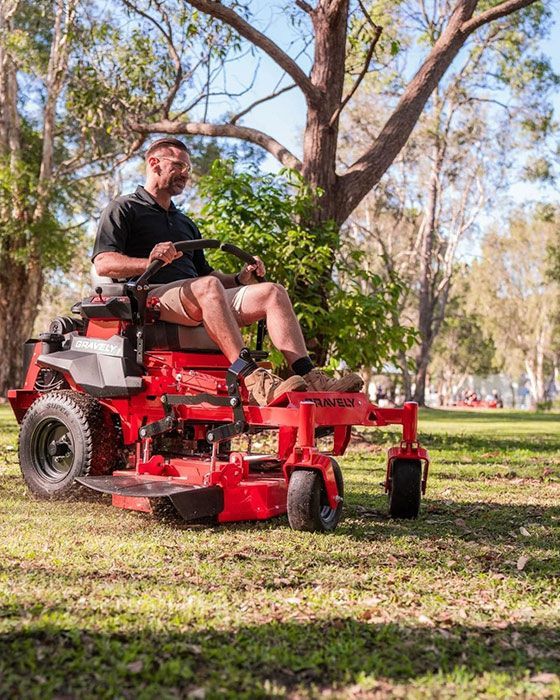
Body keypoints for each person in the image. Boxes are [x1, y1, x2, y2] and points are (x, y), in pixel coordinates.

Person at [92, 137, 363, 406]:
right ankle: (253, 378)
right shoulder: (124, 208)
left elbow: (207, 274)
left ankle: (311, 377)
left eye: (188, 168)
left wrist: (240, 278)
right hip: (151, 298)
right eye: (178, 166)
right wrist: (149, 261)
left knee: (272, 292)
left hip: (197, 295)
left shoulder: (184, 222)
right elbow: (103, 263)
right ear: (154, 163)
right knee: (207, 287)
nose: (185, 174)